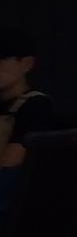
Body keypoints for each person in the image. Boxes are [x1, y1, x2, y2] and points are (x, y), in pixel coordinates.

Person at [0, 25, 64, 219]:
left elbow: (10, 167)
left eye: (2, 59)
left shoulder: (35, 105)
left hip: (17, 207)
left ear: (26, 64)